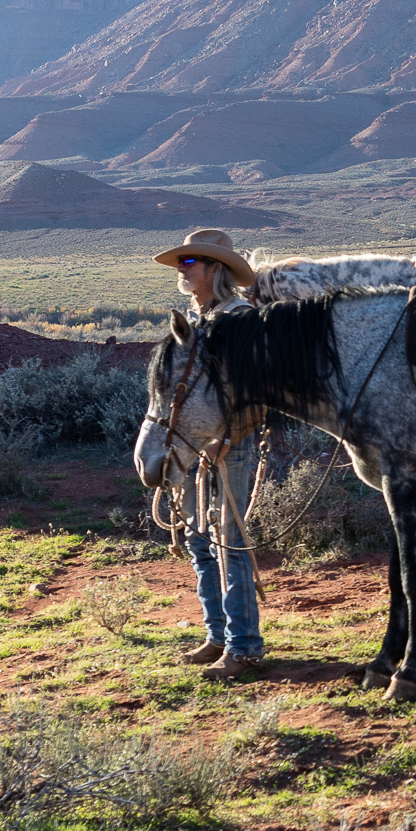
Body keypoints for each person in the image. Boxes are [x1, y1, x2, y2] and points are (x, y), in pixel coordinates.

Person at [152, 228, 266, 680]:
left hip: (230, 448)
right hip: (197, 446)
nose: (182, 271)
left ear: (214, 268)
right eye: (181, 263)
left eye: (189, 263)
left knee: (229, 543)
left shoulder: (239, 318)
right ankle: (218, 636)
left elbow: (257, 393)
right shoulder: (196, 318)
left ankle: (244, 648)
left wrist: (227, 438)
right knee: (201, 541)